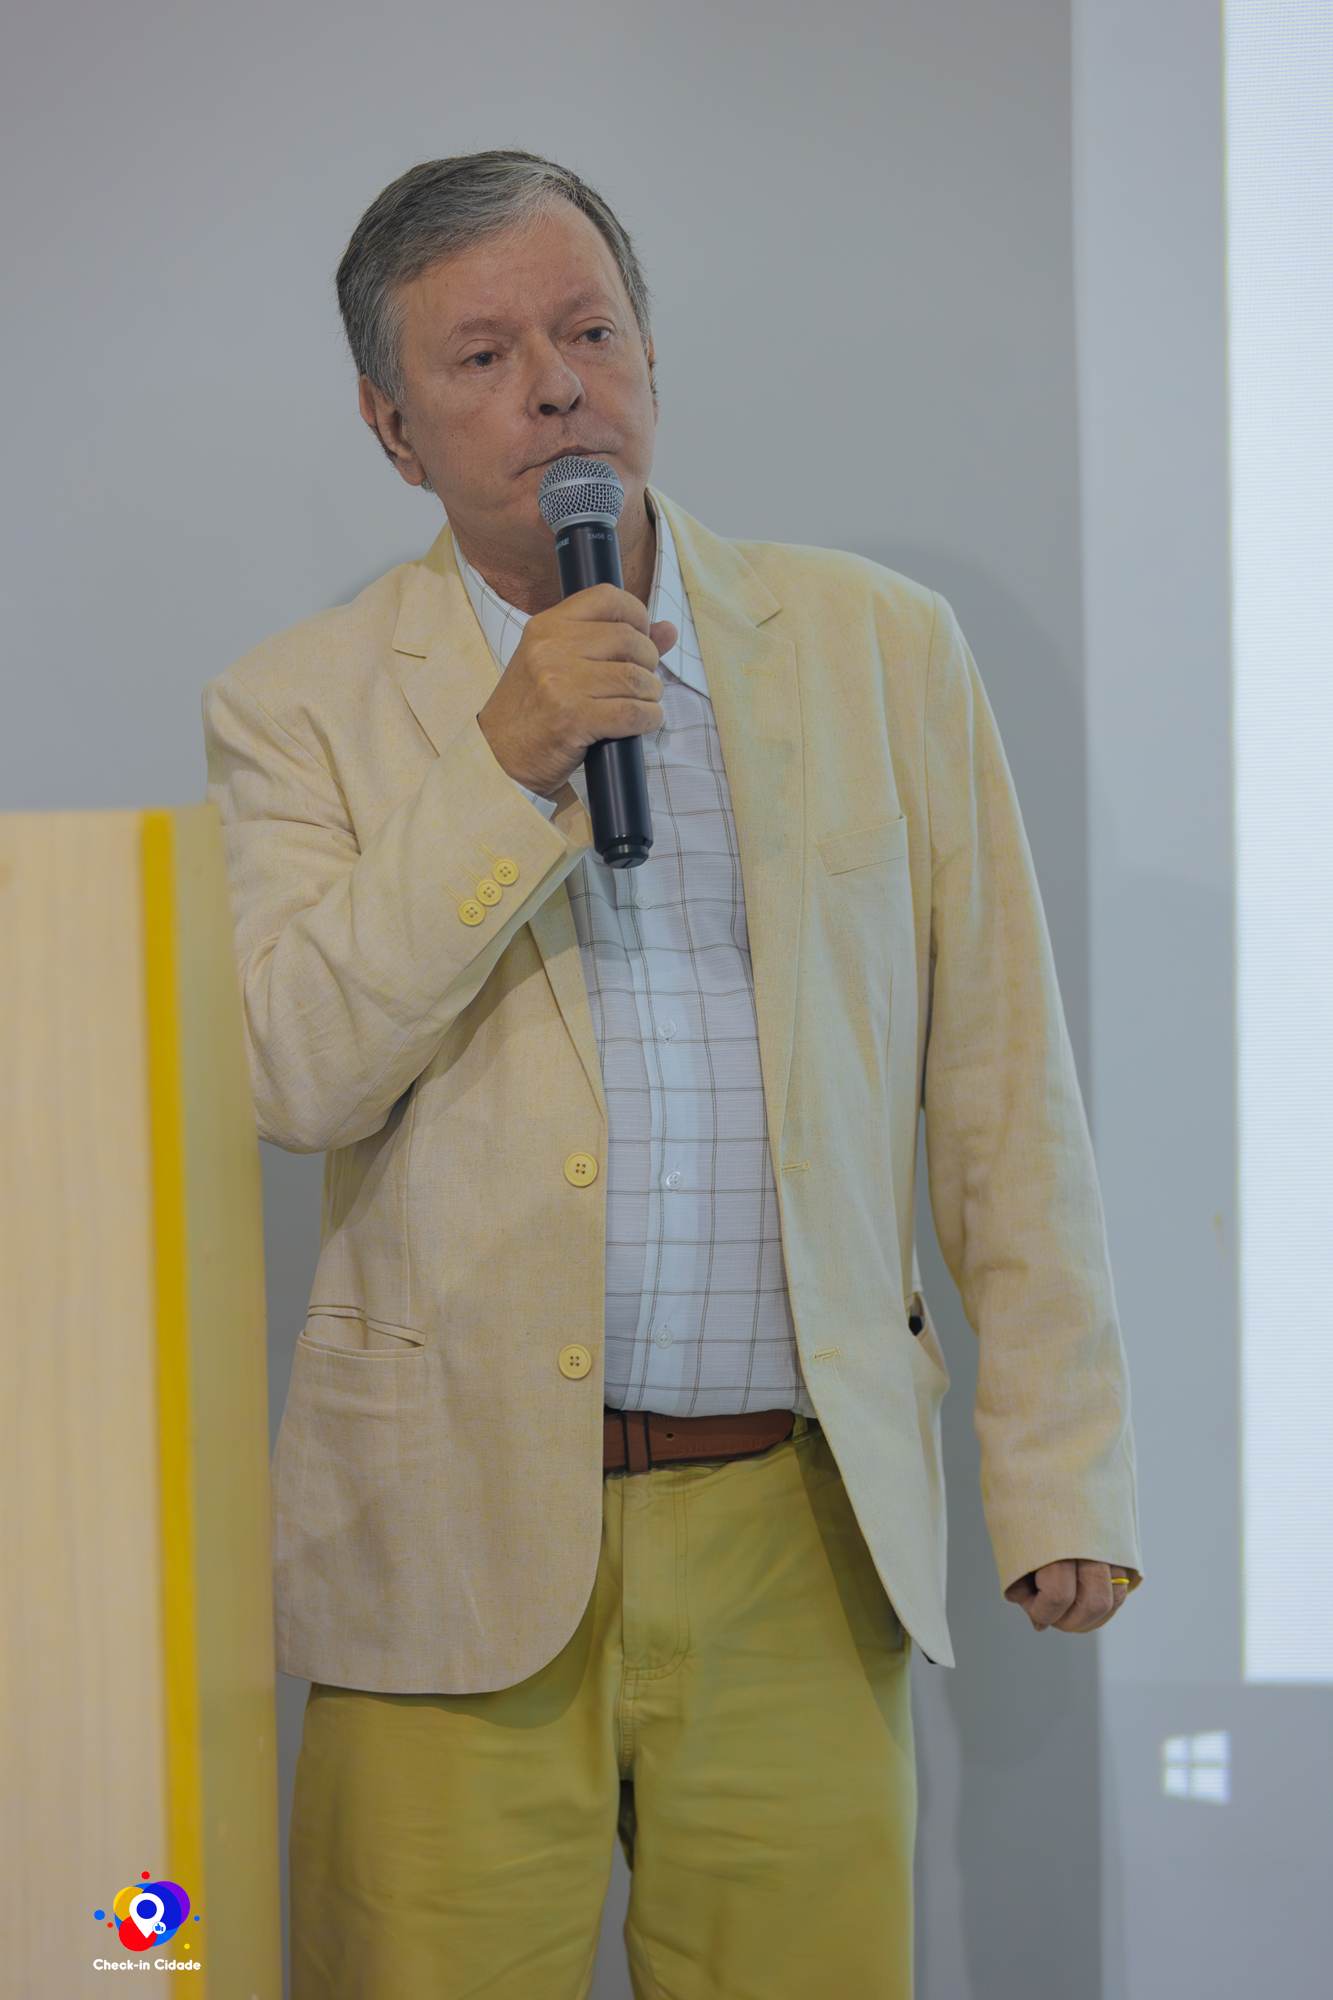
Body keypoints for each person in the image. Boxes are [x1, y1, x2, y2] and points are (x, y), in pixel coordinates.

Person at [205, 150, 1140, 2000]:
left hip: (799, 1524)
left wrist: (1058, 1474)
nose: (556, 387)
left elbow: (1003, 1089)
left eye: (590, 331)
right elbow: (291, 1069)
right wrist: (506, 760)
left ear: (650, 354)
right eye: (483, 357)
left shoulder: (878, 651)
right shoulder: (298, 704)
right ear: (393, 430)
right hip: (443, 1542)